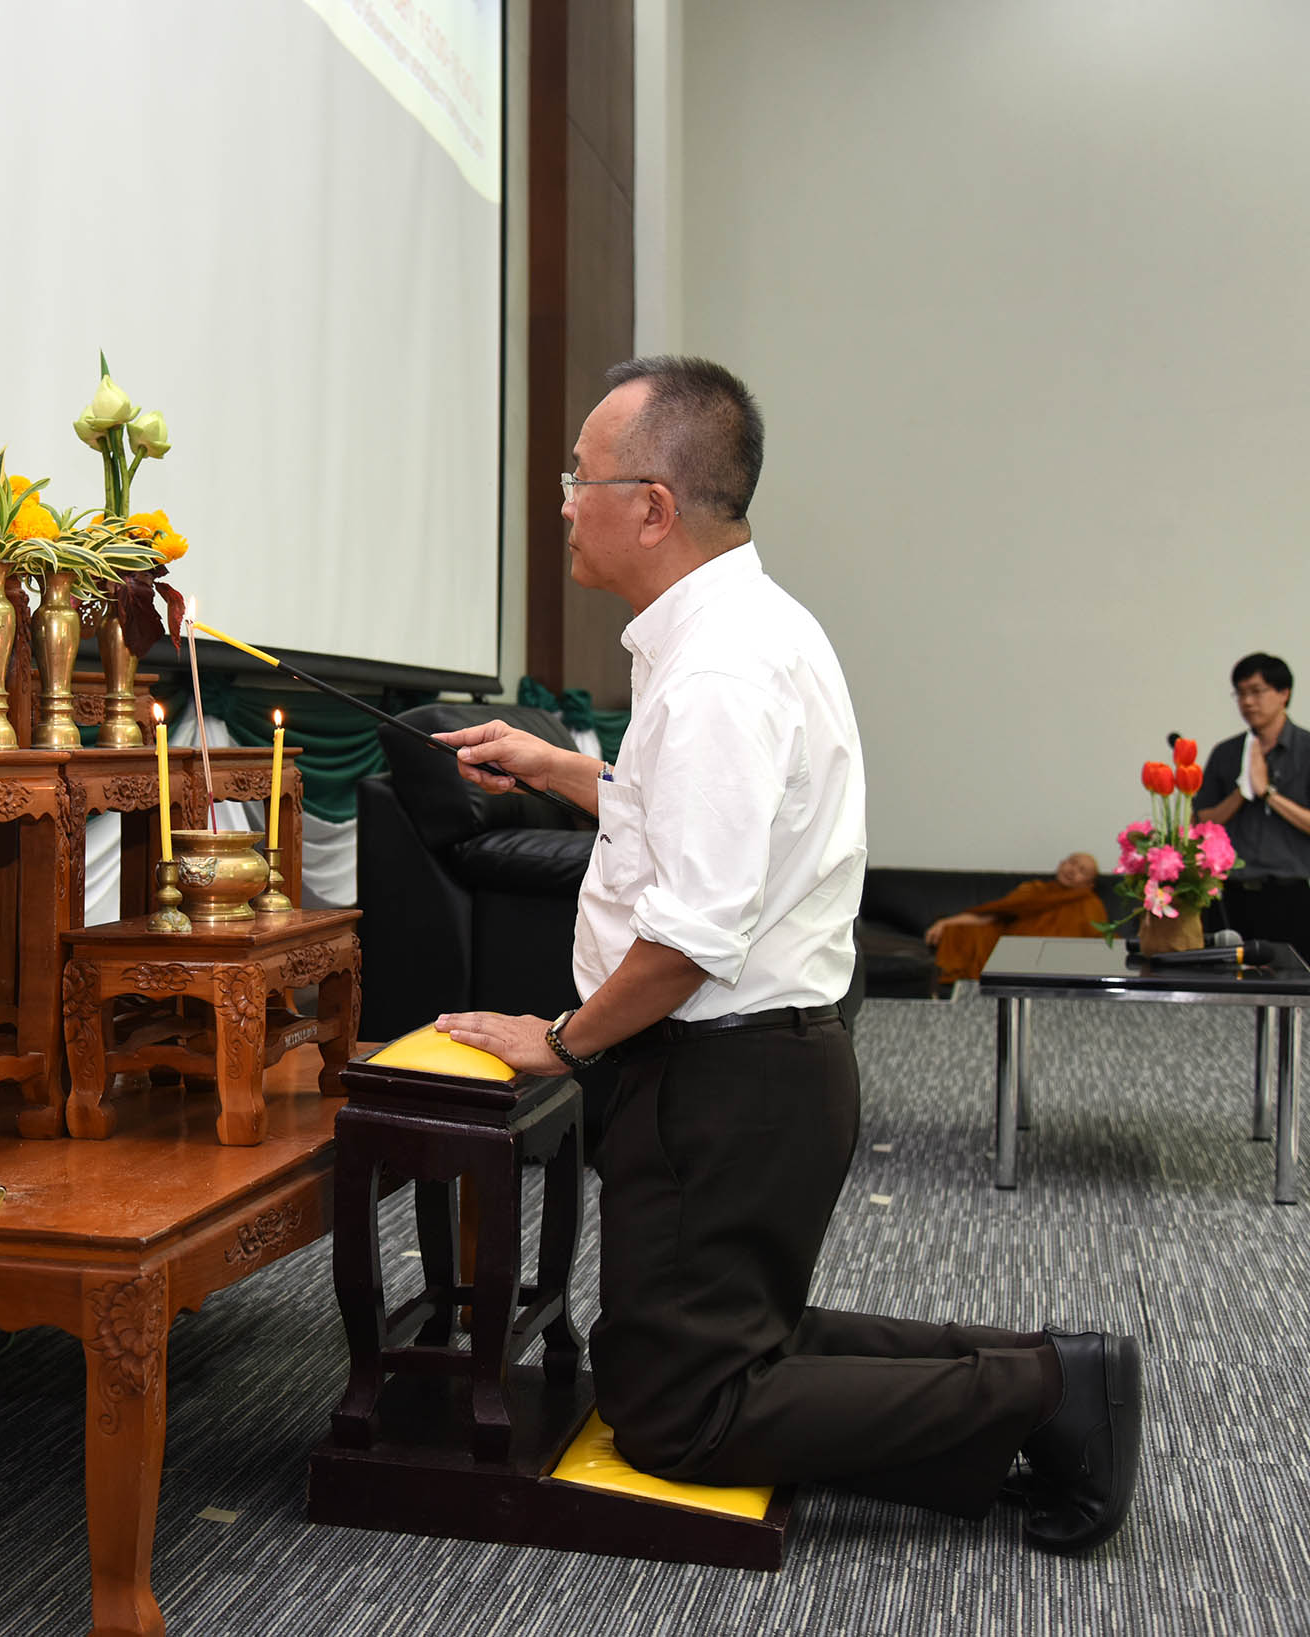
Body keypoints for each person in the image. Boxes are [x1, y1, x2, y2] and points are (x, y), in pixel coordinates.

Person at [428, 357, 1140, 1554]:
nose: (562, 503)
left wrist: (560, 1041)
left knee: (678, 1412)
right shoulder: (737, 627)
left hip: (725, 1078)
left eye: (577, 478)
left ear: (651, 506)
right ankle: (1049, 1370)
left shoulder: (716, 669)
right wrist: (566, 771)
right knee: (703, 1347)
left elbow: (688, 936)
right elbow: (696, 818)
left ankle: (1040, 1392)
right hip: (758, 1069)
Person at [1192, 654, 1310, 964]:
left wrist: (1268, 794)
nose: (1248, 702)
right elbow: (1200, 824)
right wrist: (1242, 791)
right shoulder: (1226, 753)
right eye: (1240, 693)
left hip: (1287, 898)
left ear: (1283, 693)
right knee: (1222, 985)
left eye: (1257, 691)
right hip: (1229, 896)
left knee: (1287, 986)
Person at [924, 853, 1107, 985]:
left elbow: (1097, 942)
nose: (1073, 870)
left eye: (1082, 871)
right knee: (960, 933)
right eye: (1072, 862)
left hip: (1058, 963)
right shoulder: (1034, 890)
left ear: (1089, 884)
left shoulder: (1090, 904)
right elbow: (994, 914)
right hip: (1014, 952)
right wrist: (946, 923)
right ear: (1061, 863)